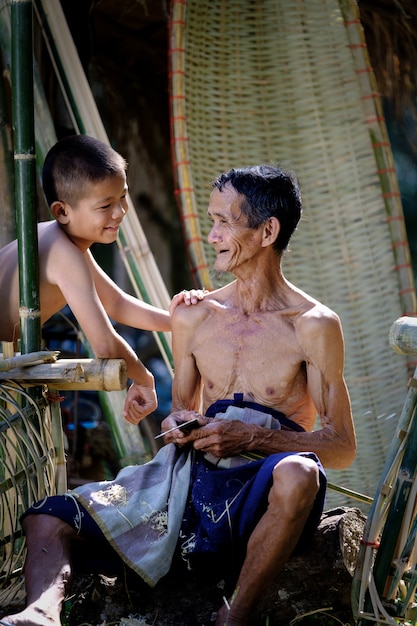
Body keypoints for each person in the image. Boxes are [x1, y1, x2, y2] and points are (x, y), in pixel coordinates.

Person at [2, 164, 356, 626]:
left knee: (298, 475)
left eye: (224, 222)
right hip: (190, 478)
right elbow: (180, 414)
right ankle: (40, 613)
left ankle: (234, 618)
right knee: (47, 518)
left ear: (268, 231)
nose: (212, 235)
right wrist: (177, 426)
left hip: (259, 483)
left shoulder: (313, 325)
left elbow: (342, 446)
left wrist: (250, 438)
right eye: (212, 220)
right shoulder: (196, 315)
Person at [0, 134, 204, 424]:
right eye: (105, 205)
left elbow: (116, 303)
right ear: (62, 211)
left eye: (123, 197)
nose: (120, 212)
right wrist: (145, 379)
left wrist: (179, 320)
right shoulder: (63, 253)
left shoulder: (59, 238)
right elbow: (105, 345)